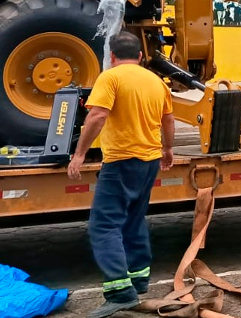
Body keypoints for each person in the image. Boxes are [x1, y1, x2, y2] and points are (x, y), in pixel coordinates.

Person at [67, 31, 175, 318]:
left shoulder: (110, 77)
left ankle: (119, 293)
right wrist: (168, 150)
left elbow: (98, 115)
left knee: (104, 226)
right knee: (133, 220)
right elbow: (168, 118)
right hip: (149, 160)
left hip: (121, 162)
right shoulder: (155, 80)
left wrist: (79, 154)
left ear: (112, 56)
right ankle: (138, 281)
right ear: (140, 56)